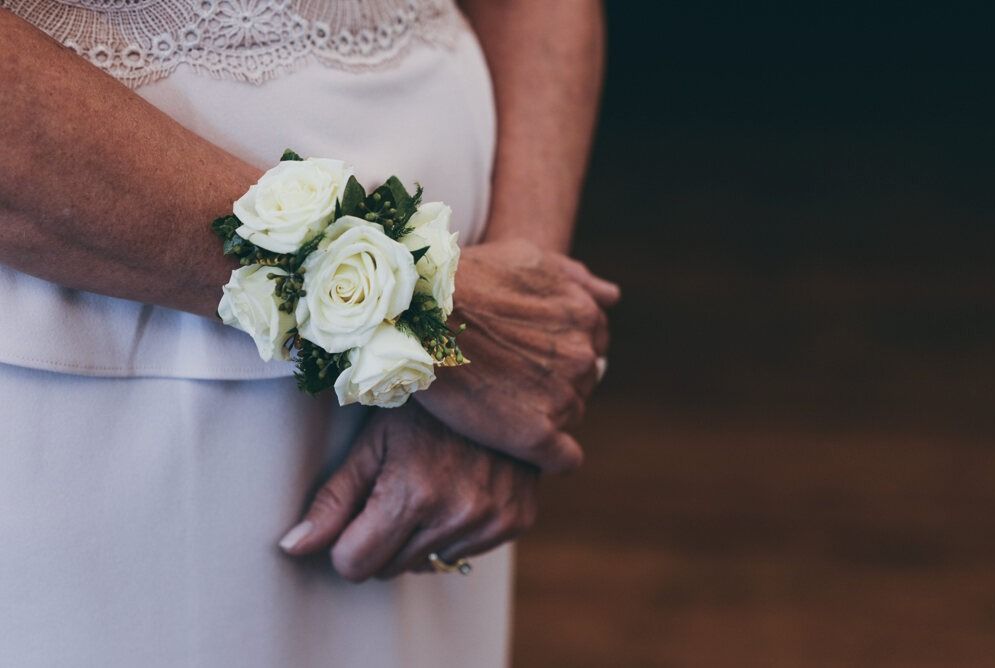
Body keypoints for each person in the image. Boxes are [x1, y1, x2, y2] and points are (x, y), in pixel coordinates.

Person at [0, 0, 617, 665]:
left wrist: (510, 315)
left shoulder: (479, 357)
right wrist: (434, 312)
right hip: (103, 344)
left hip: (456, 381)